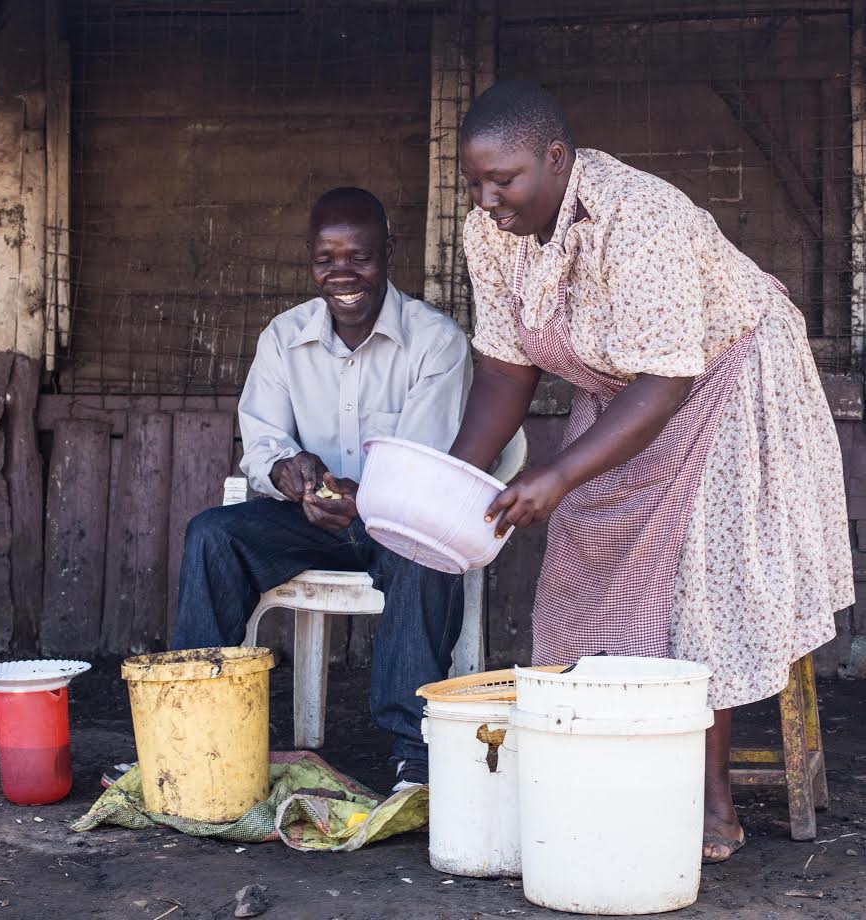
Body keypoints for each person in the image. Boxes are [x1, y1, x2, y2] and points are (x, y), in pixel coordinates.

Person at [449, 81, 853, 862]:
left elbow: (667, 380)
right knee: (579, 546)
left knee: (695, 574)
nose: (487, 200)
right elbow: (503, 369)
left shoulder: (641, 216)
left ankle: (709, 800)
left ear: (555, 158)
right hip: (626, 390)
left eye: (503, 180)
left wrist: (557, 475)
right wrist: (457, 481)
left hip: (730, 374)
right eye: (474, 182)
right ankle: (601, 764)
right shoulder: (488, 233)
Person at [171, 187, 472, 792]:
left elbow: (423, 462)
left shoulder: (436, 341)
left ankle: (414, 753)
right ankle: (192, 734)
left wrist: (369, 497)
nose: (343, 275)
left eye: (360, 257)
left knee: (429, 556)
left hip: (397, 521)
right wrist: (287, 470)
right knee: (211, 535)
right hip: (309, 519)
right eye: (326, 259)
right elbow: (262, 442)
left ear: (389, 252)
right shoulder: (283, 338)